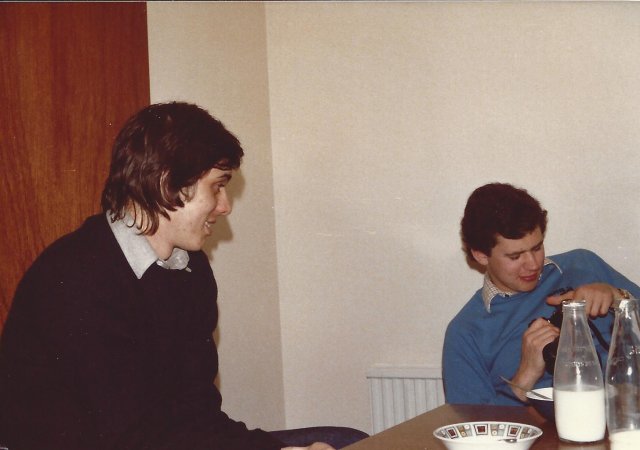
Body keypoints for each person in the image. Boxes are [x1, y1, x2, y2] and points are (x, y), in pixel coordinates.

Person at [0, 102, 366, 450]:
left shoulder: (190, 270)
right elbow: (127, 439)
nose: (225, 206)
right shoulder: (76, 278)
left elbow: (199, 418)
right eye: (217, 186)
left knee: (345, 440)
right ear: (167, 184)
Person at [443, 182, 640, 406]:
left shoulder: (582, 266)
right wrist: (525, 376)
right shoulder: (466, 333)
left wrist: (618, 297)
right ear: (481, 256)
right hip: (547, 427)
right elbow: (472, 423)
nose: (533, 264)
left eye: (537, 248)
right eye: (515, 256)